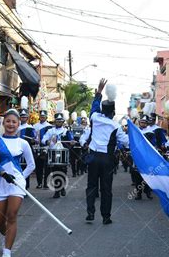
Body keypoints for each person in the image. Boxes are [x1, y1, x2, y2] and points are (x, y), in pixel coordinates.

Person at [0, 109, 35, 257]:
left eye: (14, 122)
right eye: (8, 121)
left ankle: (7, 251)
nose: (11, 124)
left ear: (18, 124)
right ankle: (7, 237)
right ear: (3, 123)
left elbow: (31, 165)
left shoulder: (23, 143)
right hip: (0, 182)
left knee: (12, 215)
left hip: (16, 184)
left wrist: (21, 178)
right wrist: (3, 174)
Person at [85, 79, 129, 224]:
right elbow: (126, 142)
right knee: (106, 188)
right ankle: (106, 217)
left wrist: (99, 91)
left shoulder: (94, 117)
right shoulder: (115, 125)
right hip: (106, 160)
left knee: (91, 186)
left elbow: (94, 106)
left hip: (92, 157)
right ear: (113, 112)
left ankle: (90, 213)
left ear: (102, 111)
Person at [42, 112, 75, 198]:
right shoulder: (50, 131)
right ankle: (57, 190)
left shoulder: (66, 131)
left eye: (60, 121)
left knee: (63, 171)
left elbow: (71, 139)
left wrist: (72, 142)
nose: (59, 123)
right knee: (54, 172)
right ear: (55, 122)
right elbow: (43, 139)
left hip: (63, 154)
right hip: (53, 153)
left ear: (63, 121)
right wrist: (47, 141)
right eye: (57, 121)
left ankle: (62, 187)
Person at [131, 115, 154, 200]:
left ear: (147, 123)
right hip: (138, 155)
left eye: (144, 122)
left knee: (148, 175)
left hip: (147, 156)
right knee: (137, 176)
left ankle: (147, 192)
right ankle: (138, 193)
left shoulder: (151, 132)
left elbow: (153, 144)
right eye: (141, 122)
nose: (142, 124)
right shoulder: (136, 131)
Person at [33, 110, 52, 189]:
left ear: (46, 117)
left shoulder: (50, 126)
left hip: (47, 148)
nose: (42, 118)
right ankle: (39, 183)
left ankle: (46, 183)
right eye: (41, 117)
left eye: (44, 117)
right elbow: (33, 136)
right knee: (38, 167)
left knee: (47, 167)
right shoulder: (35, 126)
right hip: (38, 148)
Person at [18, 109, 36, 189]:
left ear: (27, 118)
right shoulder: (16, 127)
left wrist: (33, 140)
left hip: (26, 150)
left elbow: (34, 139)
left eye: (24, 117)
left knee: (27, 167)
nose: (23, 118)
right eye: (21, 117)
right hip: (17, 150)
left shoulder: (30, 128)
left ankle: (26, 186)